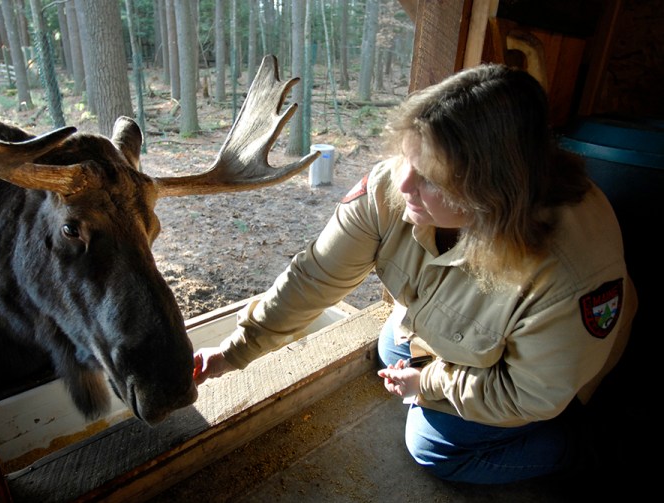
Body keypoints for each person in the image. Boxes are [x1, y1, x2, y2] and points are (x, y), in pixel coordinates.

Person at [193, 64, 637, 485]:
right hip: (466, 342)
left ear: (488, 191)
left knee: (432, 448)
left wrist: (427, 382)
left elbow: (527, 393)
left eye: (430, 178)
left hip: (544, 377)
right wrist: (235, 351)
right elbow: (314, 277)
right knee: (391, 350)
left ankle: (575, 447)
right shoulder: (394, 186)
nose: (402, 184)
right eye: (407, 158)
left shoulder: (569, 271)